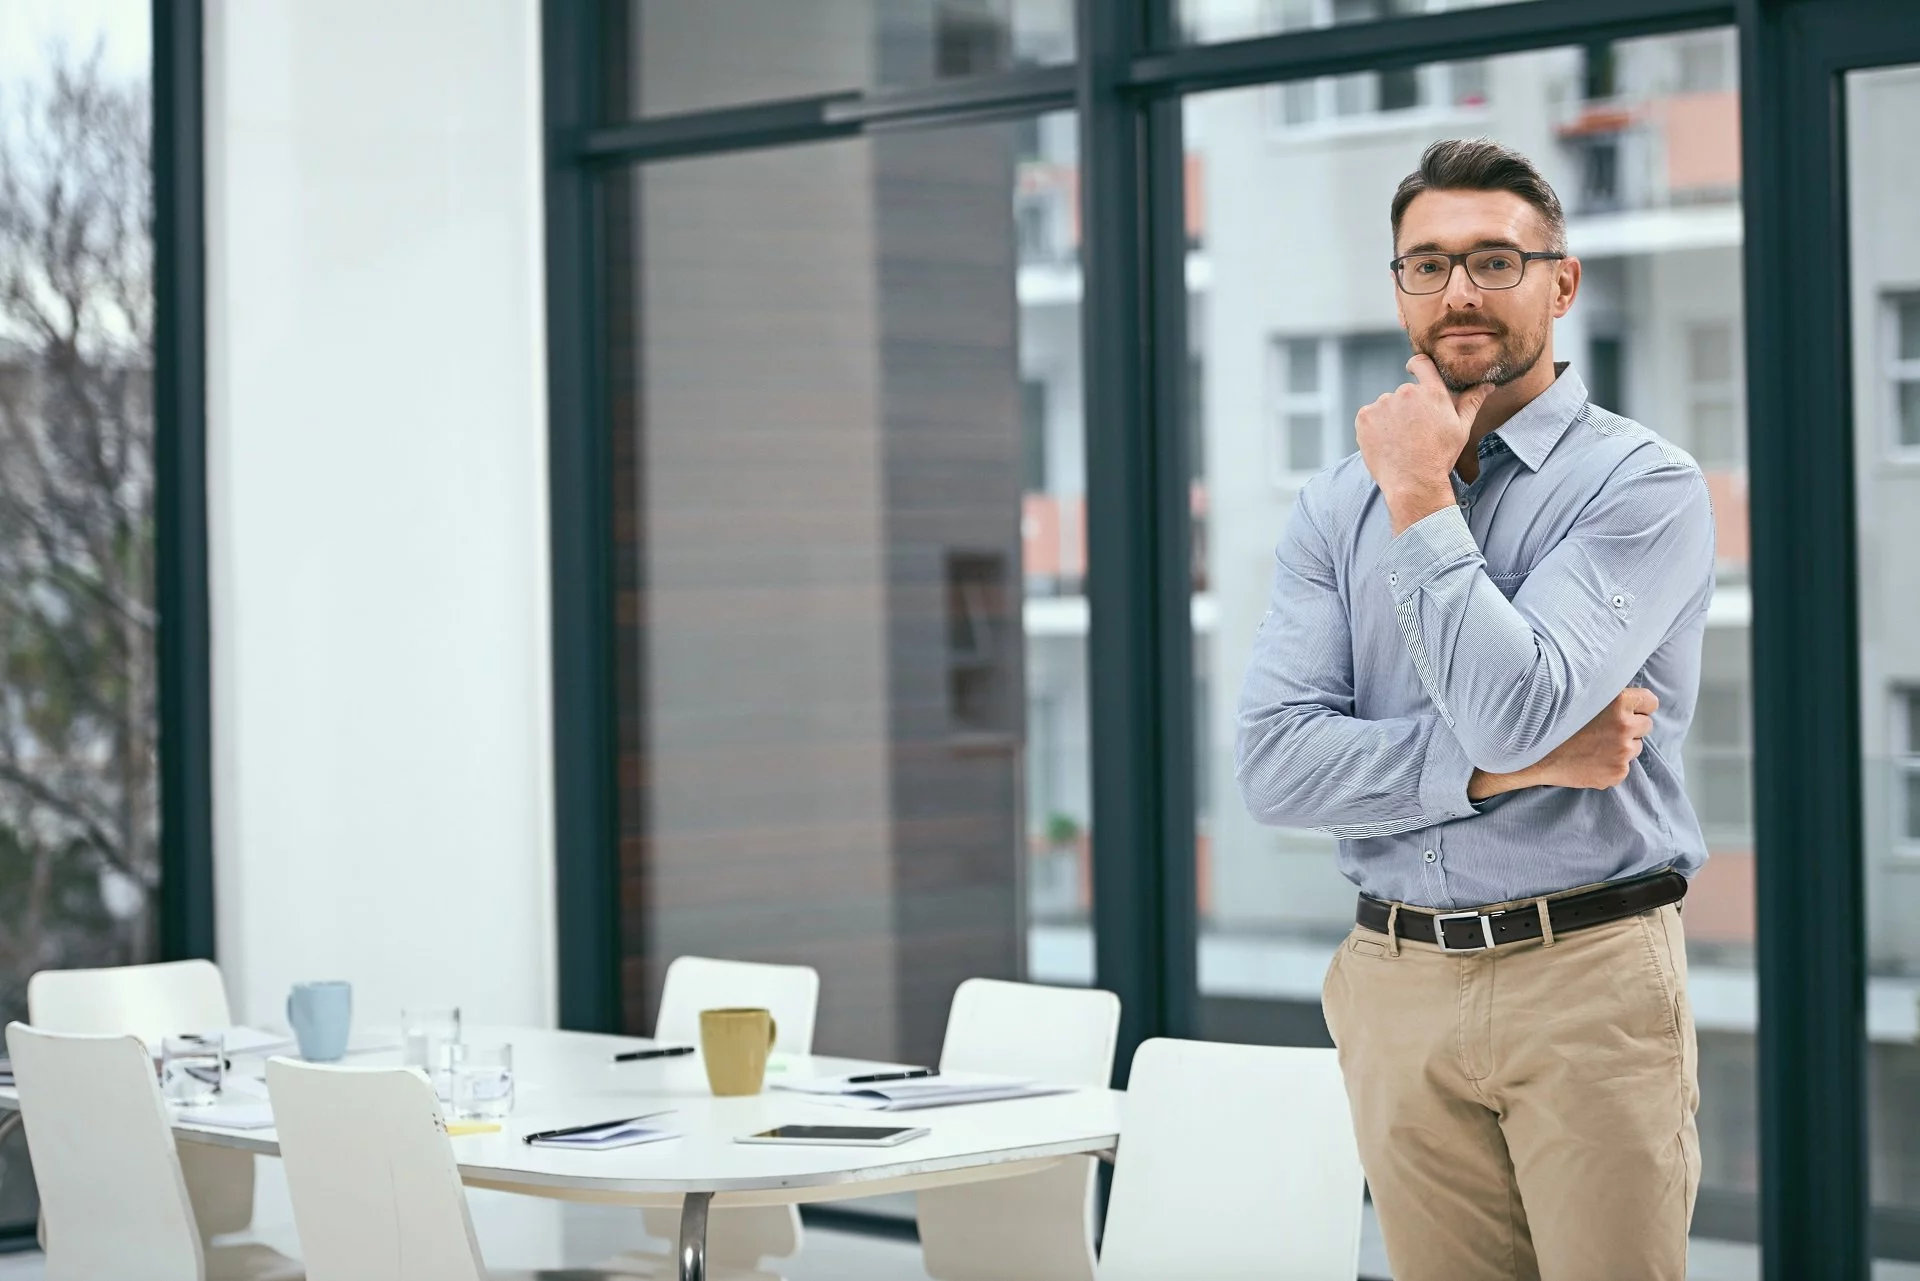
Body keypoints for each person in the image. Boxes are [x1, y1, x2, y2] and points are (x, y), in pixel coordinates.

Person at [1235, 137, 1712, 1280]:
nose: (1458, 293)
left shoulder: (1644, 486)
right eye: (1427, 264)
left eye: (1495, 260)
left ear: (1562, 281)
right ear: (1397, 284)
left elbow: (1511, 704)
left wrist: (1416, 496)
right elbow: (1273, 764)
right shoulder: (1330, 503)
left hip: (1585, 978)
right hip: (1394, 978)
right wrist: (1509, 772)